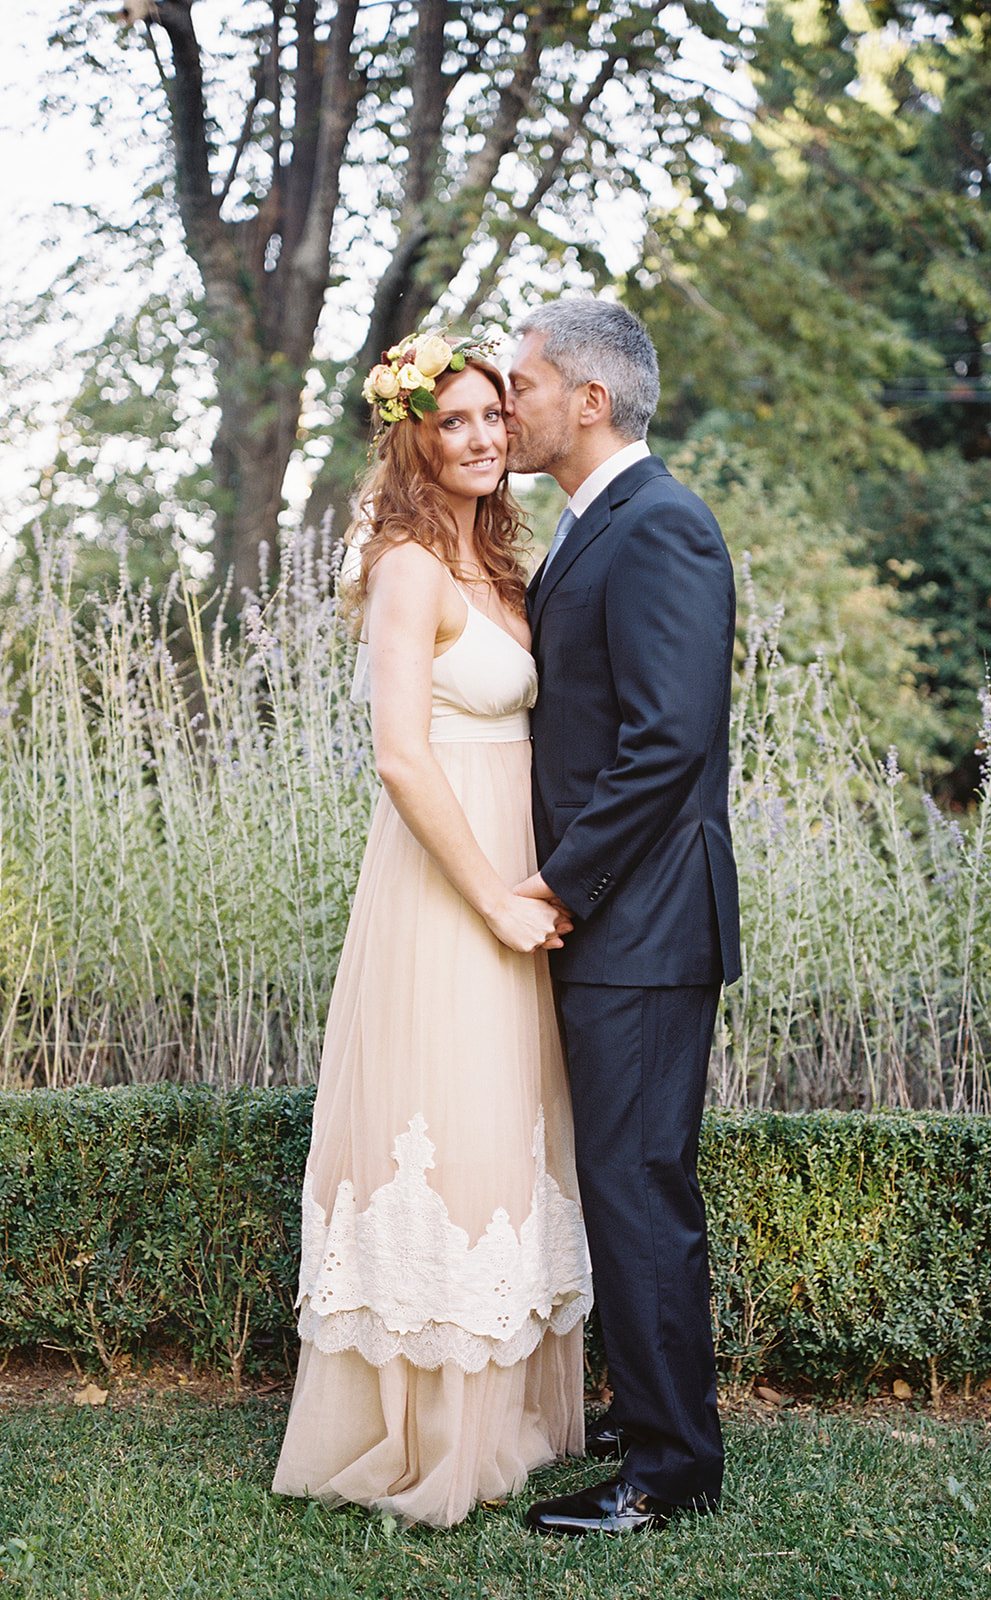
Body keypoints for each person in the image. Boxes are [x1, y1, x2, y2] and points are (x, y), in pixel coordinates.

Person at [272, 334, 593, 1529]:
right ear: (414, 437)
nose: (480, 438)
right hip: (449, 879)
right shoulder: (407, 563)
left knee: (511, 1121)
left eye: (492, 417)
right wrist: (497, 895)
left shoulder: (503, 560)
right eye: (451, 421)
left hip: (522, 864)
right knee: (447, 1121)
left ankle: (507, 1405)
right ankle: (426, 1429)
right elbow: (402, 756)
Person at [505, 298, 742, 1536]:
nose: (508, 403)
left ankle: (670, 1467)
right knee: (617, 1176)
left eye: (523, 383)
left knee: (638, 1183)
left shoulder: (662, 527)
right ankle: (652, 1405)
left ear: (586, 400)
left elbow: (664, 745)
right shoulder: (589, 528)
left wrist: (553, 886)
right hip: (617, 921)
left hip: (641, 924)